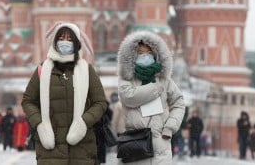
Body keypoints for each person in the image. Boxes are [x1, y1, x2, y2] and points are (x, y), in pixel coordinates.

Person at [21, 22, 107, 165]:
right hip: (50, 148)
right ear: (55, 42)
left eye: (70, 39)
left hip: (82, 146)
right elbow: (28, 101)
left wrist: (83, 122)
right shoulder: (43, 70)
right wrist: (40, 124)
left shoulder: (86, 70)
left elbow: (100, 102)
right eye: (61, 38)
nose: (65, 42)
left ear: (77, 43)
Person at [117, 31, 186, 165]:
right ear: (132, 56)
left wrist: (170, 127)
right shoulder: (127, 79)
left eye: (148, 53)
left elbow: (179, 102)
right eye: (140, 53)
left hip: (161, 146)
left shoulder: (164, 80)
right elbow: (129, 97)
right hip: (135, 145)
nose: (145, 56)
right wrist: (156, 88)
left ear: (155, 55)